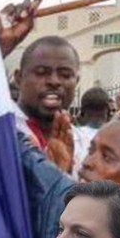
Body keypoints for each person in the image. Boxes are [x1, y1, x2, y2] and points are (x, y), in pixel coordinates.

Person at [13, 36, 83, 173]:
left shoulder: (87, 145)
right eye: (41, 73)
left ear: (77, 81)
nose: (54, 81)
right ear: (19, 78)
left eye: (65, 75)